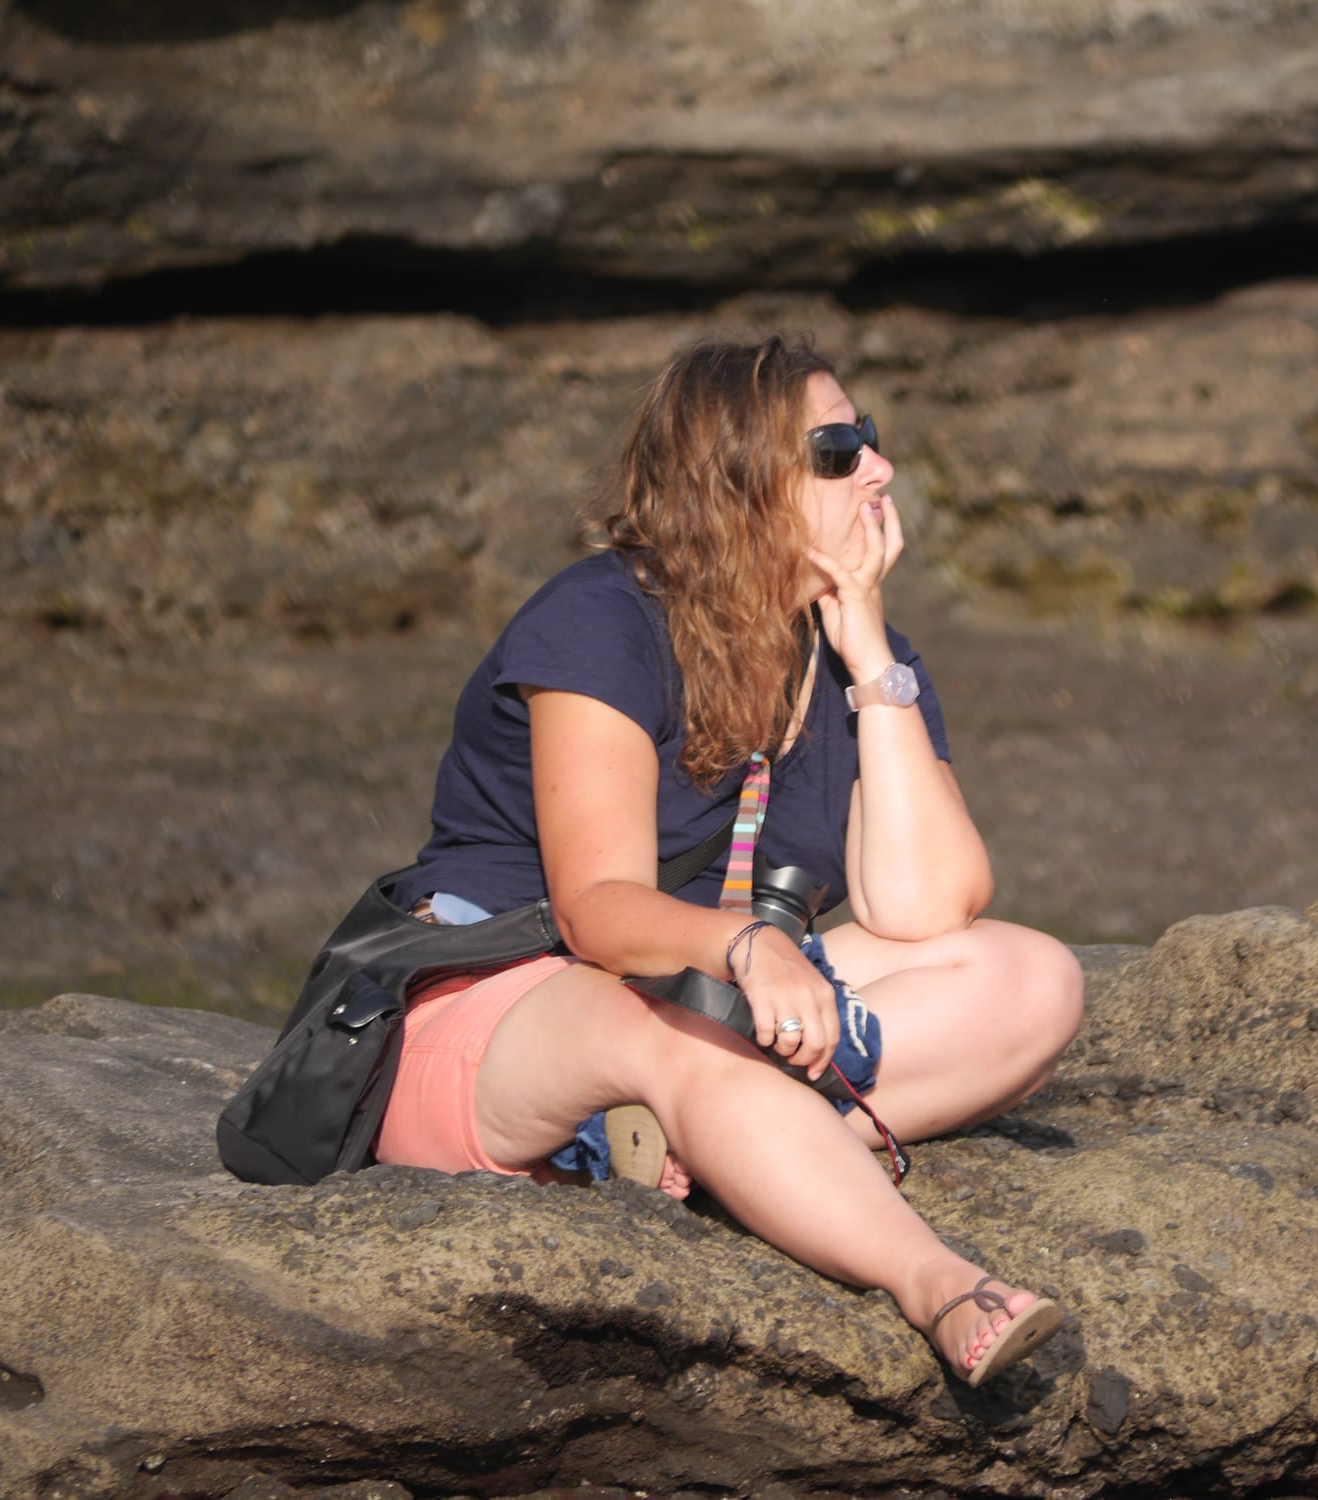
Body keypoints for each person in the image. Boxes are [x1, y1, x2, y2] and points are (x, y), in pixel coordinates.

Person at [373, 335, 1085, 1386]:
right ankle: (935, 1284)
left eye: (869, 438)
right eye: (838, 449)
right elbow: (598, 912)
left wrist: (873, 657)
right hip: (499, 1012)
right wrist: (749, 946)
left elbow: (928, 903)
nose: (878, 468)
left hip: (698, 1000)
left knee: (1034, 978)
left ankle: (722, 1150)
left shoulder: (842, 649)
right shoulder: (599, 623)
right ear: (741, 481)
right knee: (666, 1033)